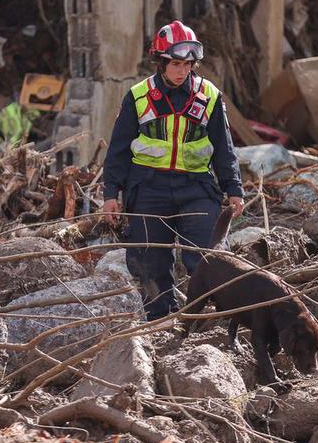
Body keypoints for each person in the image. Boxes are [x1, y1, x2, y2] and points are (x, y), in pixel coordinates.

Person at [100, 20, 245, 320]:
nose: (183, 71)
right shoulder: (138, 97)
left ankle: (211, 320)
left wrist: (234, 189)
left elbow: (223, 148)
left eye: (188, 64)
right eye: (176, 64)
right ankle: (162, 320)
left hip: (196, 188)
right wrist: (111, 193)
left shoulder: (209, 96)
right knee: (148, 261)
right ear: (161, 62)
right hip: (148, 189)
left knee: (209, 255)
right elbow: (118, 150)